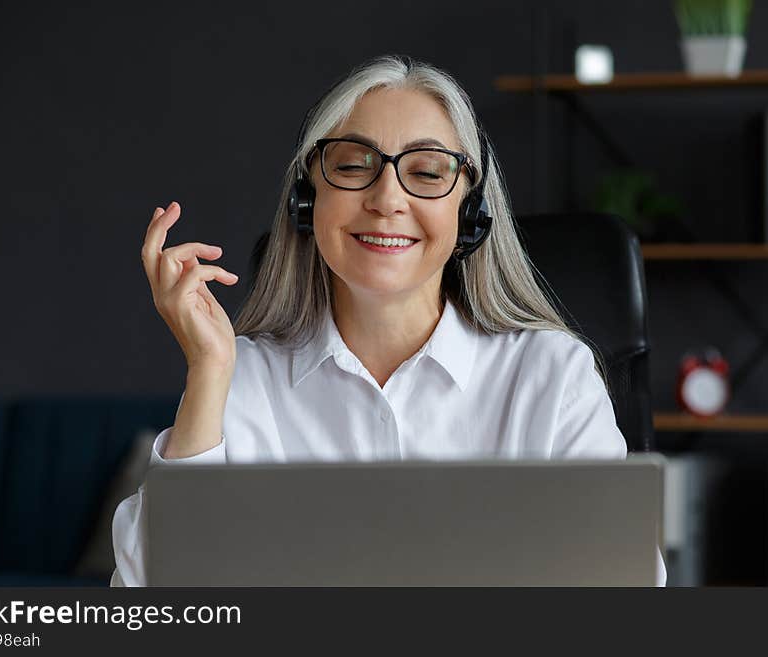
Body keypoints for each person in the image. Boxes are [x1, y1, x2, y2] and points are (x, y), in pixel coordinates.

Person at [114, 54, 667, 587]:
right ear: (307, 200)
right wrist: (210, 370)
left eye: (427, 172)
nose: (387, 198)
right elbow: (152, 597)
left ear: (469, 212)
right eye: (353, 166)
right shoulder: (242, 379)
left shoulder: (553, 375)